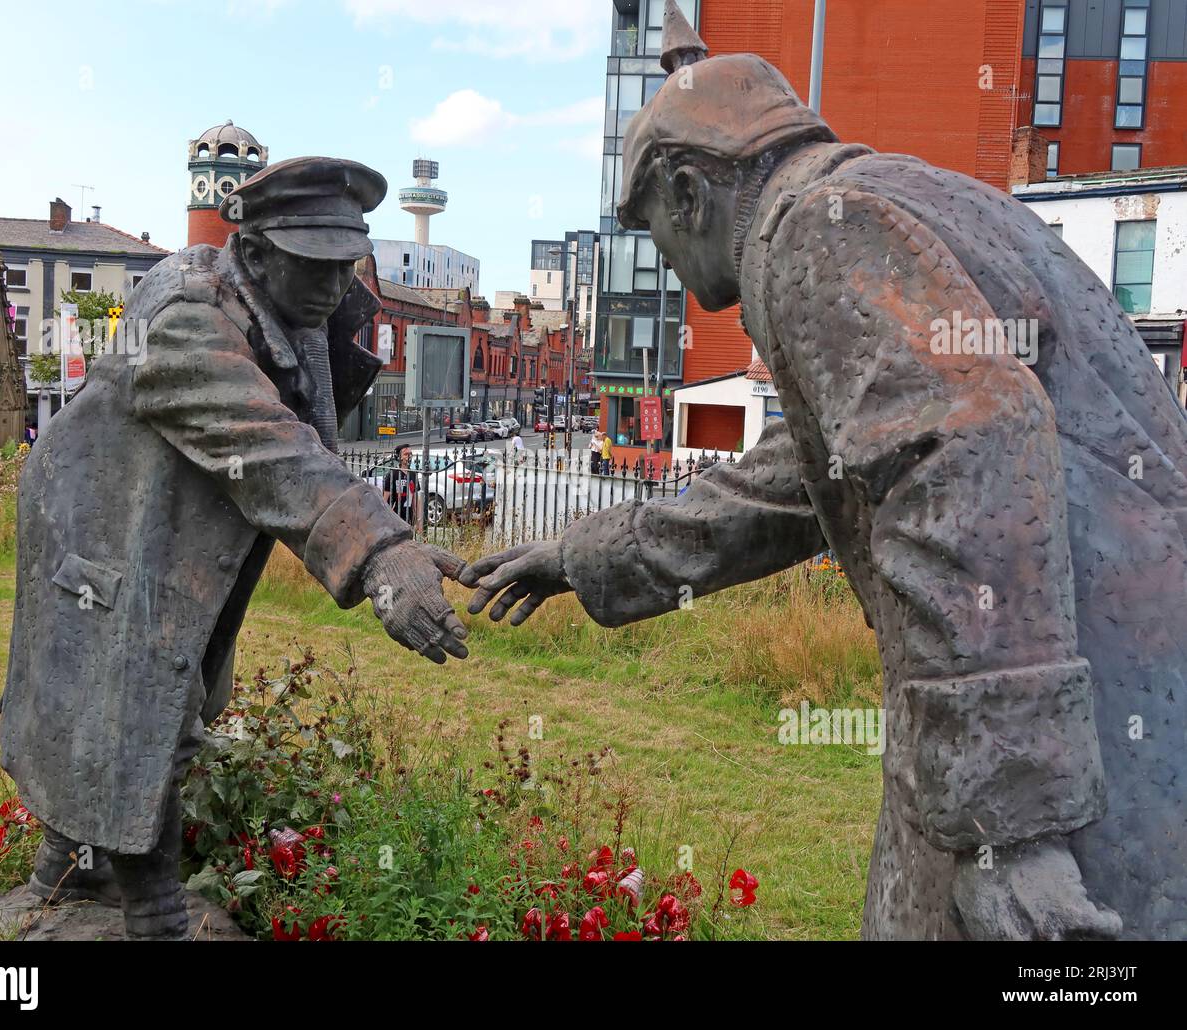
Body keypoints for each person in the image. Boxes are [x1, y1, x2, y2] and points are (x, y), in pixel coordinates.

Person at [462, 0, 1187, 941]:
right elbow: (797, 480)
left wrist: (1011, 826)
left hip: (1065, 761)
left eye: (654, 232)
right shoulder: (914, 196)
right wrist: (587, 555)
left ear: (689, 193)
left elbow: (970, 454)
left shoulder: (818, 231)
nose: (668, 266)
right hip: (1092, 714)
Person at [1, 156, 469, 940]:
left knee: (133, 705)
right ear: (253, 255)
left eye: (342, 266)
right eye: (311, 265)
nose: (331, 287)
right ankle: (152, 911)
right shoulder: (187, 313)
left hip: (171, 533)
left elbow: (310, 429)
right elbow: (271, 444)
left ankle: (59, 877)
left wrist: (343, 322)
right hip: (102, 532)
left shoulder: (290, 310)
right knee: (139, 711)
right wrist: (381, 553)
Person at [381, 443, 419, 525]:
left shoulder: (413, 474)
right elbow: (385, 499)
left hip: (409, 518)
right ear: (399, 457)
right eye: (406, 454)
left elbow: (415, 500)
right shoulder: (393, 474)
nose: (409, 457)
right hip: (395, 518)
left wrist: (418, 521)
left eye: (410, 454)